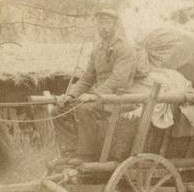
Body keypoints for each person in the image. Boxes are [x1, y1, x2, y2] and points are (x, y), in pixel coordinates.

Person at [52, 9, 140, 161]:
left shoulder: (125, 48)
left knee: (84, 108)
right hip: (99, 98)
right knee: (59, 110)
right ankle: (70, 152)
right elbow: (87, 78)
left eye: (107, 23)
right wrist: (71, 95)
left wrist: (94, 95)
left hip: (121, 98)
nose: (103, 27)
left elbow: (118, 80)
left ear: (115, 25)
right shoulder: (97, 49)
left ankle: (87, 155)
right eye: (100, 23)